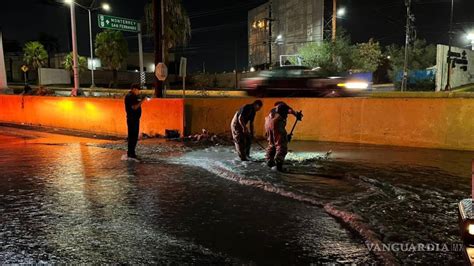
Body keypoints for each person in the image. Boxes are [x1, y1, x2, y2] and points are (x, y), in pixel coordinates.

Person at [265, 102, 303, 171]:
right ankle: (278, 165)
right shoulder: (282, 105)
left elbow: (276, 133)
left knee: (272, 143)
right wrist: (296, 115)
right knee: (282, 146)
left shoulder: (272, 110)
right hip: (276, 124)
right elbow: (290, 111)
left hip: (267, 124)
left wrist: (285, 137)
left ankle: (269, 161)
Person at [124, 84, 147, 160]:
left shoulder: (133, 96)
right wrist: (142, 101)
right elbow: (134, 107)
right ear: (134, 89)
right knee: (132, 136)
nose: (138, 91)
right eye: (138, 90)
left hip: (135, 119)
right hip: (132, 119)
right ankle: (131, 153)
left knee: (133, 136)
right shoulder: (130, 96)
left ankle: (132, 153)